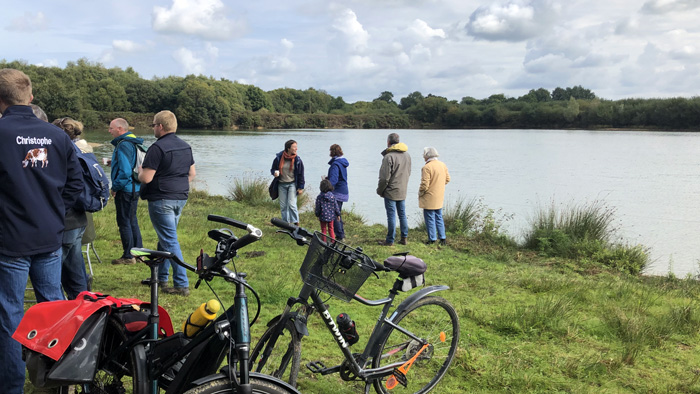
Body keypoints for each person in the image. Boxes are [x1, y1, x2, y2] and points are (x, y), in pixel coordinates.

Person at [0, 68, 83, 394]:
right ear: (30, 96)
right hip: (50, 237)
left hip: (10, 242)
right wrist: (51, 213)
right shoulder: (58, 136)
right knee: (54, 309)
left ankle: (10, 388)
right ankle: (60, 383)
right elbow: (74, 185)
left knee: (9, 315)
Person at [139, 110, 196, 296]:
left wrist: (138, 171)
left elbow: (146, 178)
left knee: (170, 240)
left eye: (154, 125)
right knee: (165, 238)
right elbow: (192, 174)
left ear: (160, 126)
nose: (153, 128)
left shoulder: (157, 148)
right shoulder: (186, 147)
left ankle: (181, 283)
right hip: (180, 197)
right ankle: (160, 278)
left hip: (161, 198)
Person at [52, 117, 91, 298]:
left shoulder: (61, 152)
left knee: (51, 277)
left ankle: (62, 313)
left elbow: (72, 184)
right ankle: (84, 310)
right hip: (79, 219)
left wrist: (58, 209)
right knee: (75, 273)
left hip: (65, 220)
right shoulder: (83, 149)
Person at [108, 118, 144, 265]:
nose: (109, 131)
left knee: (124, 222)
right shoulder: (134, 142)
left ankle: (128, 256)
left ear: (120, 129)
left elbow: (125, 171)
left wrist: (114, 187)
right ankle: (139, 253)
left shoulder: (122, 145)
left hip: (125, 189)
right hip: (135, 187)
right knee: (132, 220)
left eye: (111, 128)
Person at [377, 133, 411, 246]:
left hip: (391, 190)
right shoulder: (407, 155)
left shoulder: (388, 156)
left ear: (388, 142)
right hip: (402, 189)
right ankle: (404, 237)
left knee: (391, 215)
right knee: (402, 214)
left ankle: (390, 240)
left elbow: (384, 178)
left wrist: (380, 190)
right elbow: (408, 172)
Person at [419, 147, 451, 246]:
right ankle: (442, 238)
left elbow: (425, 184)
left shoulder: (426, 167)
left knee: (429, 217)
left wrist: (421, 192)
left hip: (429, 195)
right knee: (439, 216)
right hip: (439, 195)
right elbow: (448, 179)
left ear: (427, 156)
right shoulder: (442, 165)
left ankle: (432, 239)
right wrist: (439, 186)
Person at [270, 140, 305, 225]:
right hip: (281, 184)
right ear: (288, 148)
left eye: (296, 147)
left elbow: (301, 174)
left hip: (292, 184)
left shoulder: (297, 160)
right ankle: (286, 224)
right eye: (294, 147)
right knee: (283, 206)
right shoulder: (279, 158)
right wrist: (274, 172)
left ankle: (296, 223)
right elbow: (273, 169)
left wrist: (301, 187)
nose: (296, 149)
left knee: (292, 204)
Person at [327, 144, 349, 241]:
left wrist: (327, 185)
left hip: (337, 191)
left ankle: (340, 235)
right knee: (338, 213)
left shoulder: (335, 164)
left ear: (332, 152)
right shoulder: (342, 162)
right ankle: (341, 233)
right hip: (344, 190)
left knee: (334, 214)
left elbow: (334, 180)